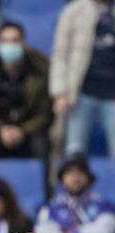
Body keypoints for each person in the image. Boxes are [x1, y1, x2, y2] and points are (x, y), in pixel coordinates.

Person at [0, 22, 51, 162]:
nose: (10, 45)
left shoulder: (39, 71)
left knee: (41, 144)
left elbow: (44, 113)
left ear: (23, 44)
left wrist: (23, 130)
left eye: (15, 40)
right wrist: (1, 129)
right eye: (5, 41)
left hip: (29, 130)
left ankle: (43, 184)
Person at [52, 0, 115, 158]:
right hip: (81, 92)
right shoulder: (73, 11)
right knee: (74, 150)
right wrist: (60, 91)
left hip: (113, 93)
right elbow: (60, 53)